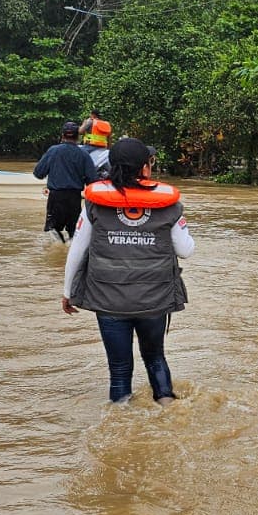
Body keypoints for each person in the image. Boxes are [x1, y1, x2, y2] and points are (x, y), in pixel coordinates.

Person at [62, 138, 194, 405]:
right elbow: (186, 250)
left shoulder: (93, 203)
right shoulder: (168, 204)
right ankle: (168, 408)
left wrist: (67, 292)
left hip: (108, 301)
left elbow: (77, 249)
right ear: (145, 168)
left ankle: (120, 418)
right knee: (155, 357)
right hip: (154, 299)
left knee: (120, 369)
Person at [33, 121, 97, 242]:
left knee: (52, 229)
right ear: (78, 136)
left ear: (62, 135)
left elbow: (38, 173)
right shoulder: (84, 154)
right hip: (75, 199)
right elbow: (93, 181)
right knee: (74, 232)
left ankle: (59, 251)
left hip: (56, 197)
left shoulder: (53, 151)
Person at [79, 110, 111, 176]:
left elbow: (80, 131)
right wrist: (108, 149)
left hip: (89, 147)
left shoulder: (90, 121)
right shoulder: (106, 124)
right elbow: (109, 138)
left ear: (93, 115)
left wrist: (84, 124)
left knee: (77, 156)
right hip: (103, 148)